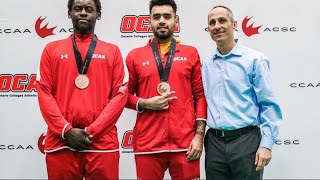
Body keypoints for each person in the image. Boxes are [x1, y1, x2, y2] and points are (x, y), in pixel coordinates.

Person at [36, 0, 128, 179]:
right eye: (78, 9)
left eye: (89, 9)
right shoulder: (51, 50)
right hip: (61, 142)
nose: (83, 13)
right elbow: (44, 94)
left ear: (98, 15)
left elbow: (119, 96)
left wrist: (92, 131)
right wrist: (66, 131)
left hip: (102, 144)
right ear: (69, 13)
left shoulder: (113, 52)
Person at [125, 0, 207, 179]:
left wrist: (199, 136)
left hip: (186, 145)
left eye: (167, 16)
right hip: (148, 145)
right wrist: (144, 103)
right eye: (156, 17)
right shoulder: (134, 56)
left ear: (175, 21)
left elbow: (200, 96)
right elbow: (124, 96)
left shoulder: (191, 53)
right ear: (150, 21)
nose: (162, 21)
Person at [202, 5, 283, 180]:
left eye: (222, 20)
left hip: (246, 142)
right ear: (208, 29)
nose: (217, 26)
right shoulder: (206, 65)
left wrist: (266, 145)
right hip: (214, 144)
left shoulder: (255, 60)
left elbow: (268, 104)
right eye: (212, 22)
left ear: (234, 24)